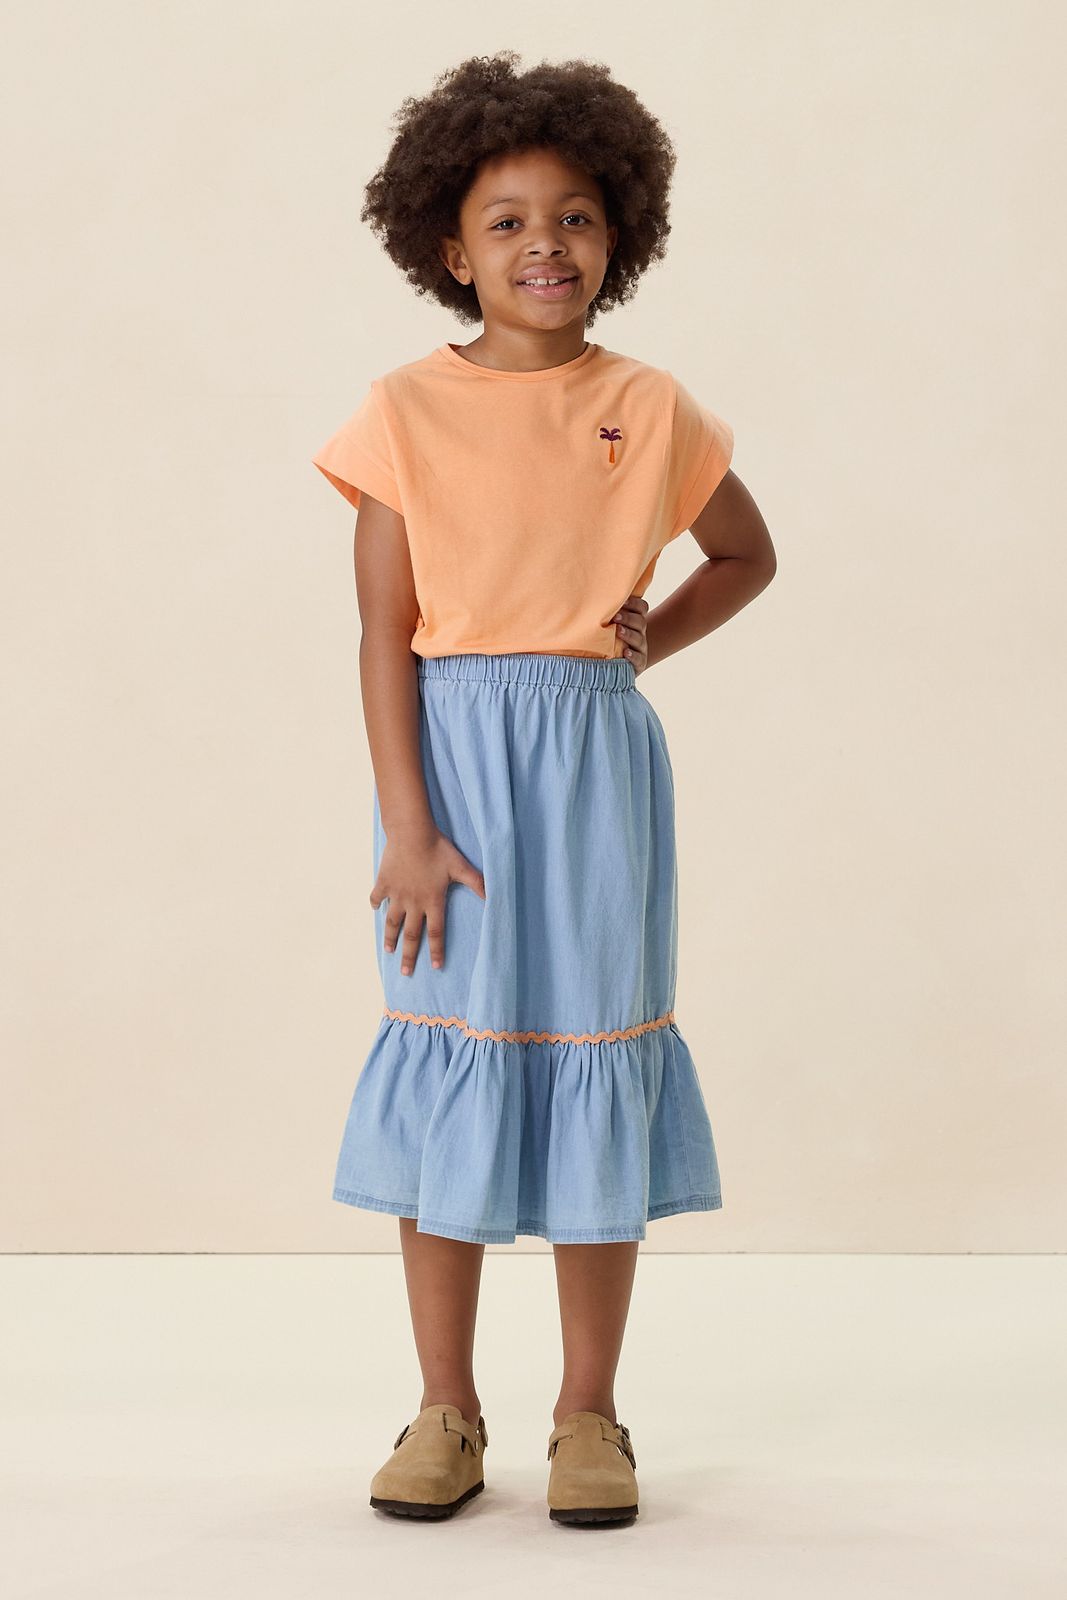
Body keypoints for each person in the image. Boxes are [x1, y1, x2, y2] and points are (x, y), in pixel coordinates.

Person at [311, 51, 777, 1526]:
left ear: (617, 234)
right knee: (447, 1057)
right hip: (451, 771)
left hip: (594, 774)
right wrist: (408, 828)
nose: (545, 246)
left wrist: (648, 642)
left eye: (575, 217)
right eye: (506, 221)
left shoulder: (650, 404)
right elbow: (383, 634)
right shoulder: (401, 411)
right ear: (451, 251)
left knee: (593, 1057)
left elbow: (746, 554)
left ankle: (590, 1413)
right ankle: (444, 1408)